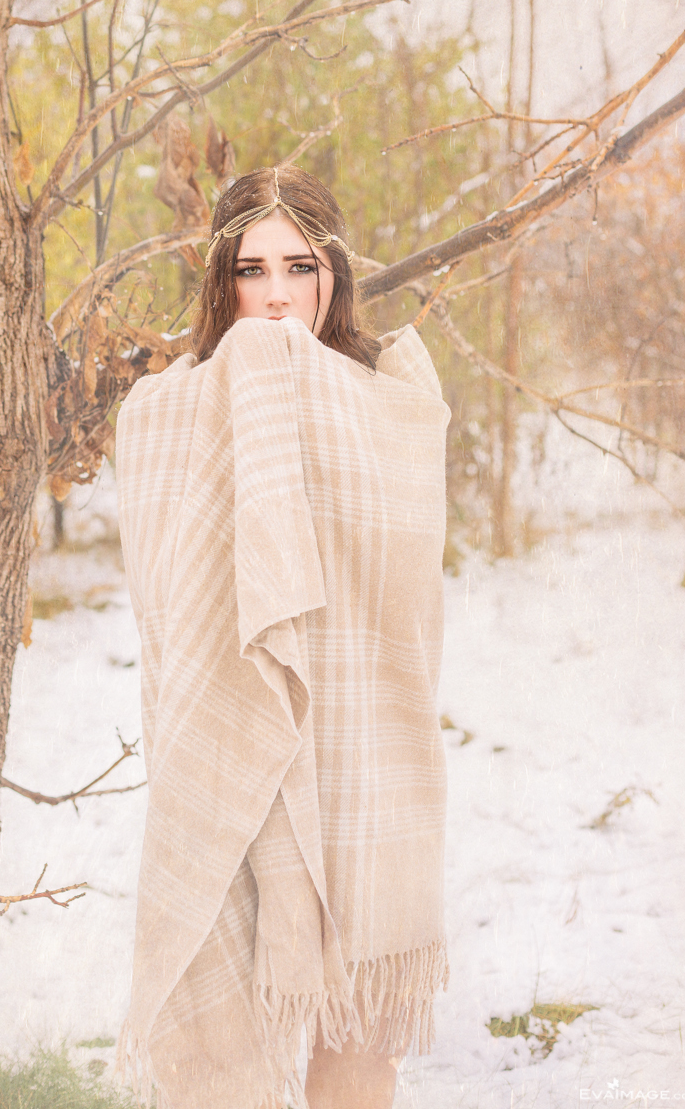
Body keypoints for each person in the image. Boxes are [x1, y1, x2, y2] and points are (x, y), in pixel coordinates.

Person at [115, 165, 451, 1109]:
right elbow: (167, 598)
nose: (273, 297)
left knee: (355, 1035)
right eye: (249, 270)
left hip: (362, 747)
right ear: (220, 282)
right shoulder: (169, 412)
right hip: (230, 750)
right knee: (234, 1043)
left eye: (297, 268)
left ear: (334, 276)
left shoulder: (390, 406)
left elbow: (404, 599)